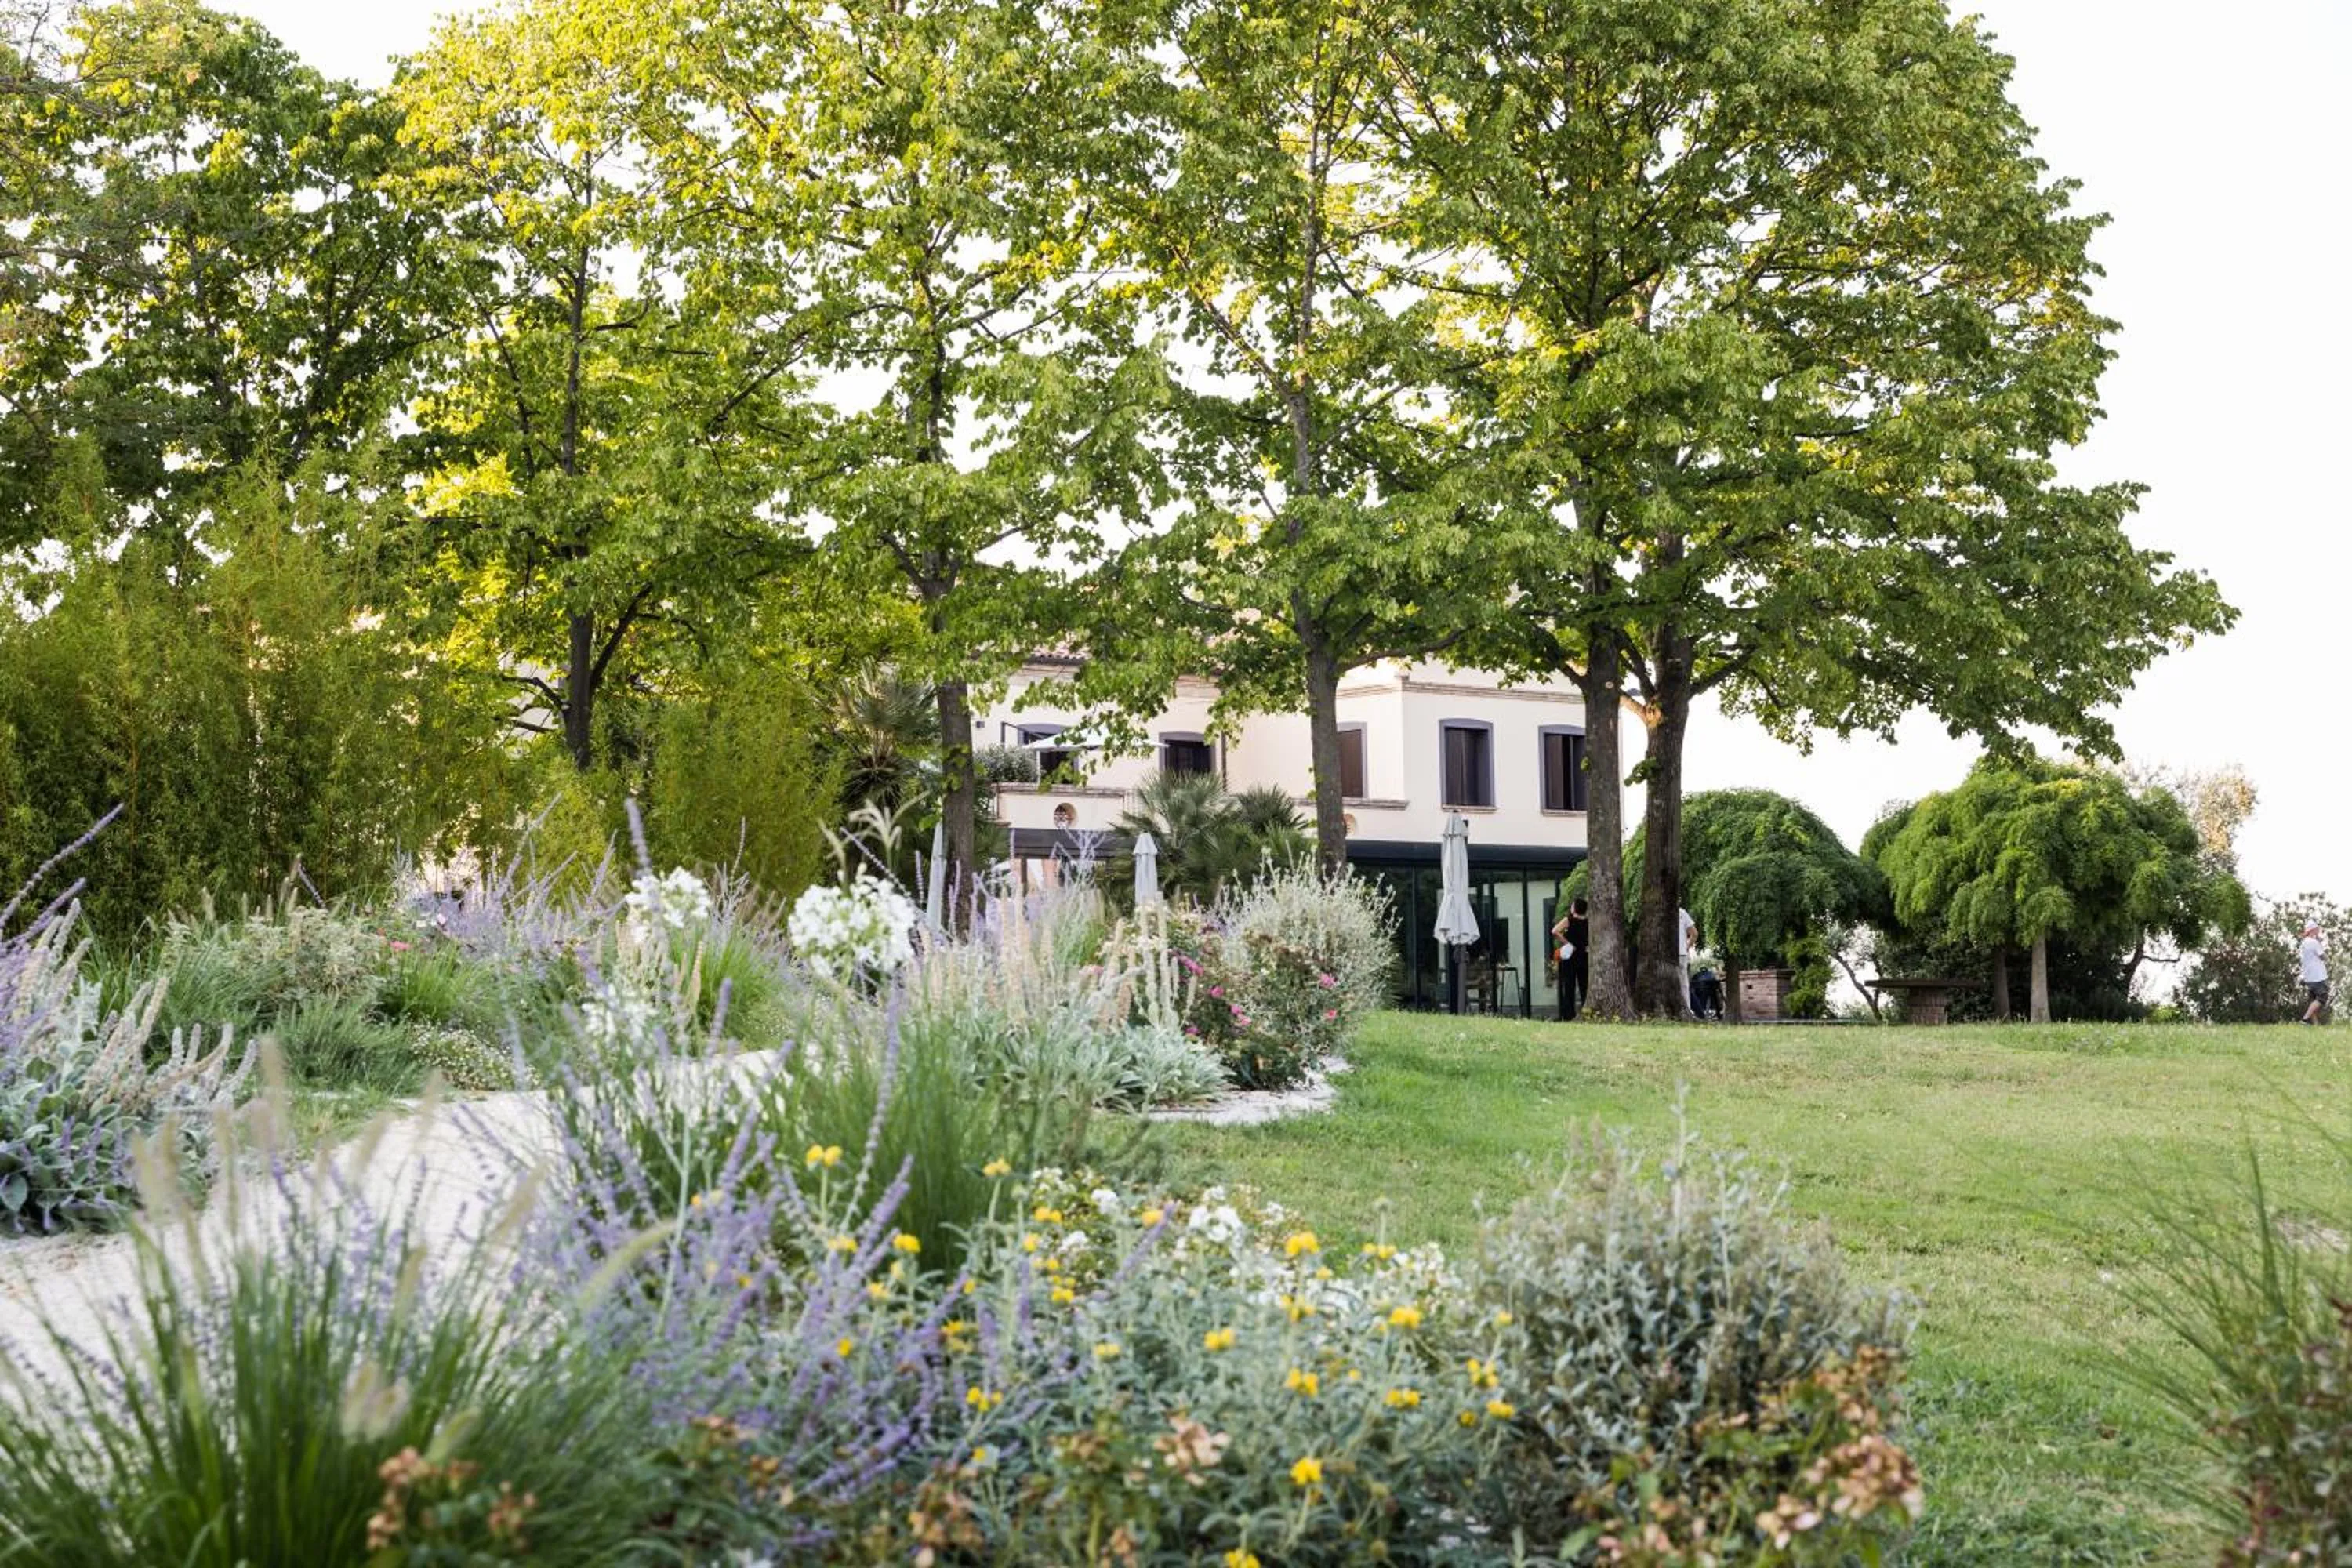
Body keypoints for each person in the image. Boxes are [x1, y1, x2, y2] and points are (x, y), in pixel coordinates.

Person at [1552, 898, 1590, 1020]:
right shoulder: (1589, 922)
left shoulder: (1569, 920)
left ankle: (1569, 1015)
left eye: (1572, 905)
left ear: (1575, 908)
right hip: (1584, 955)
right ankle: (1586, 1013)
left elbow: (1555, 931)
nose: (1571, 908)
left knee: (1569, 986)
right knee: (1584, 985)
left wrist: (1568, 943)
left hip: (1570, 956)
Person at [2300, 920, 2329, 1025]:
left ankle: (2315, 1025)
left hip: (2308, 976)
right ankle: (2305, 1019)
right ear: (2313, 930)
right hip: (2318, 976)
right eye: (2317, 929)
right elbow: (2322, 957)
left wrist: (2318, 941)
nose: (2318, 931)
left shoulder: (2304, 943)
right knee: (2322, 998)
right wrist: (2321, 945)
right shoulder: (2314, 942)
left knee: (2313, 1001)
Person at [1678, 906, 1698, 1018]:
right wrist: (1686, 946)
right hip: (1681, 954)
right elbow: (1694, 934)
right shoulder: (1682, 912)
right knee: (1684, 984)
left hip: (1666, 955)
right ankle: (1687, 1010)